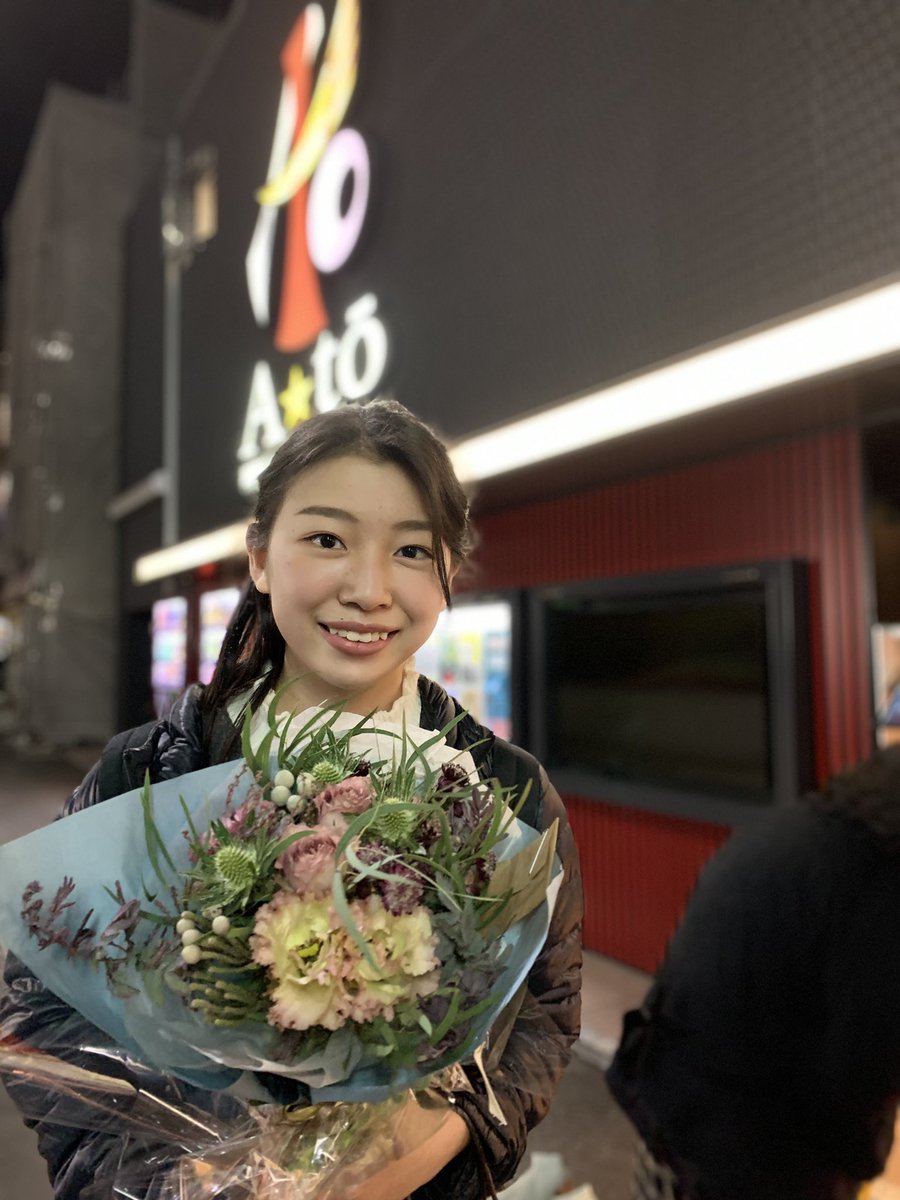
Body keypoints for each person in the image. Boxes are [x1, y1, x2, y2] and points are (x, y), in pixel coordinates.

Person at [1, 398, 583, 1200]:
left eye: (412, 550)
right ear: (261, 558)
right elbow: (44, 1011)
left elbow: (544, 1015)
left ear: (447, 572)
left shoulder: (504, 793)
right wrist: (179, 1183)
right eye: (327, 540)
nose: (370, 589)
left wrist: (431, 1148)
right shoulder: (150, 773)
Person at [607, 747, 900, 1200]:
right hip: (737, 1152)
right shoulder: (872, 884)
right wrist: (863, 1163)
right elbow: (857, 1076)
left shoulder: (807, 833)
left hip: (674, 1110)